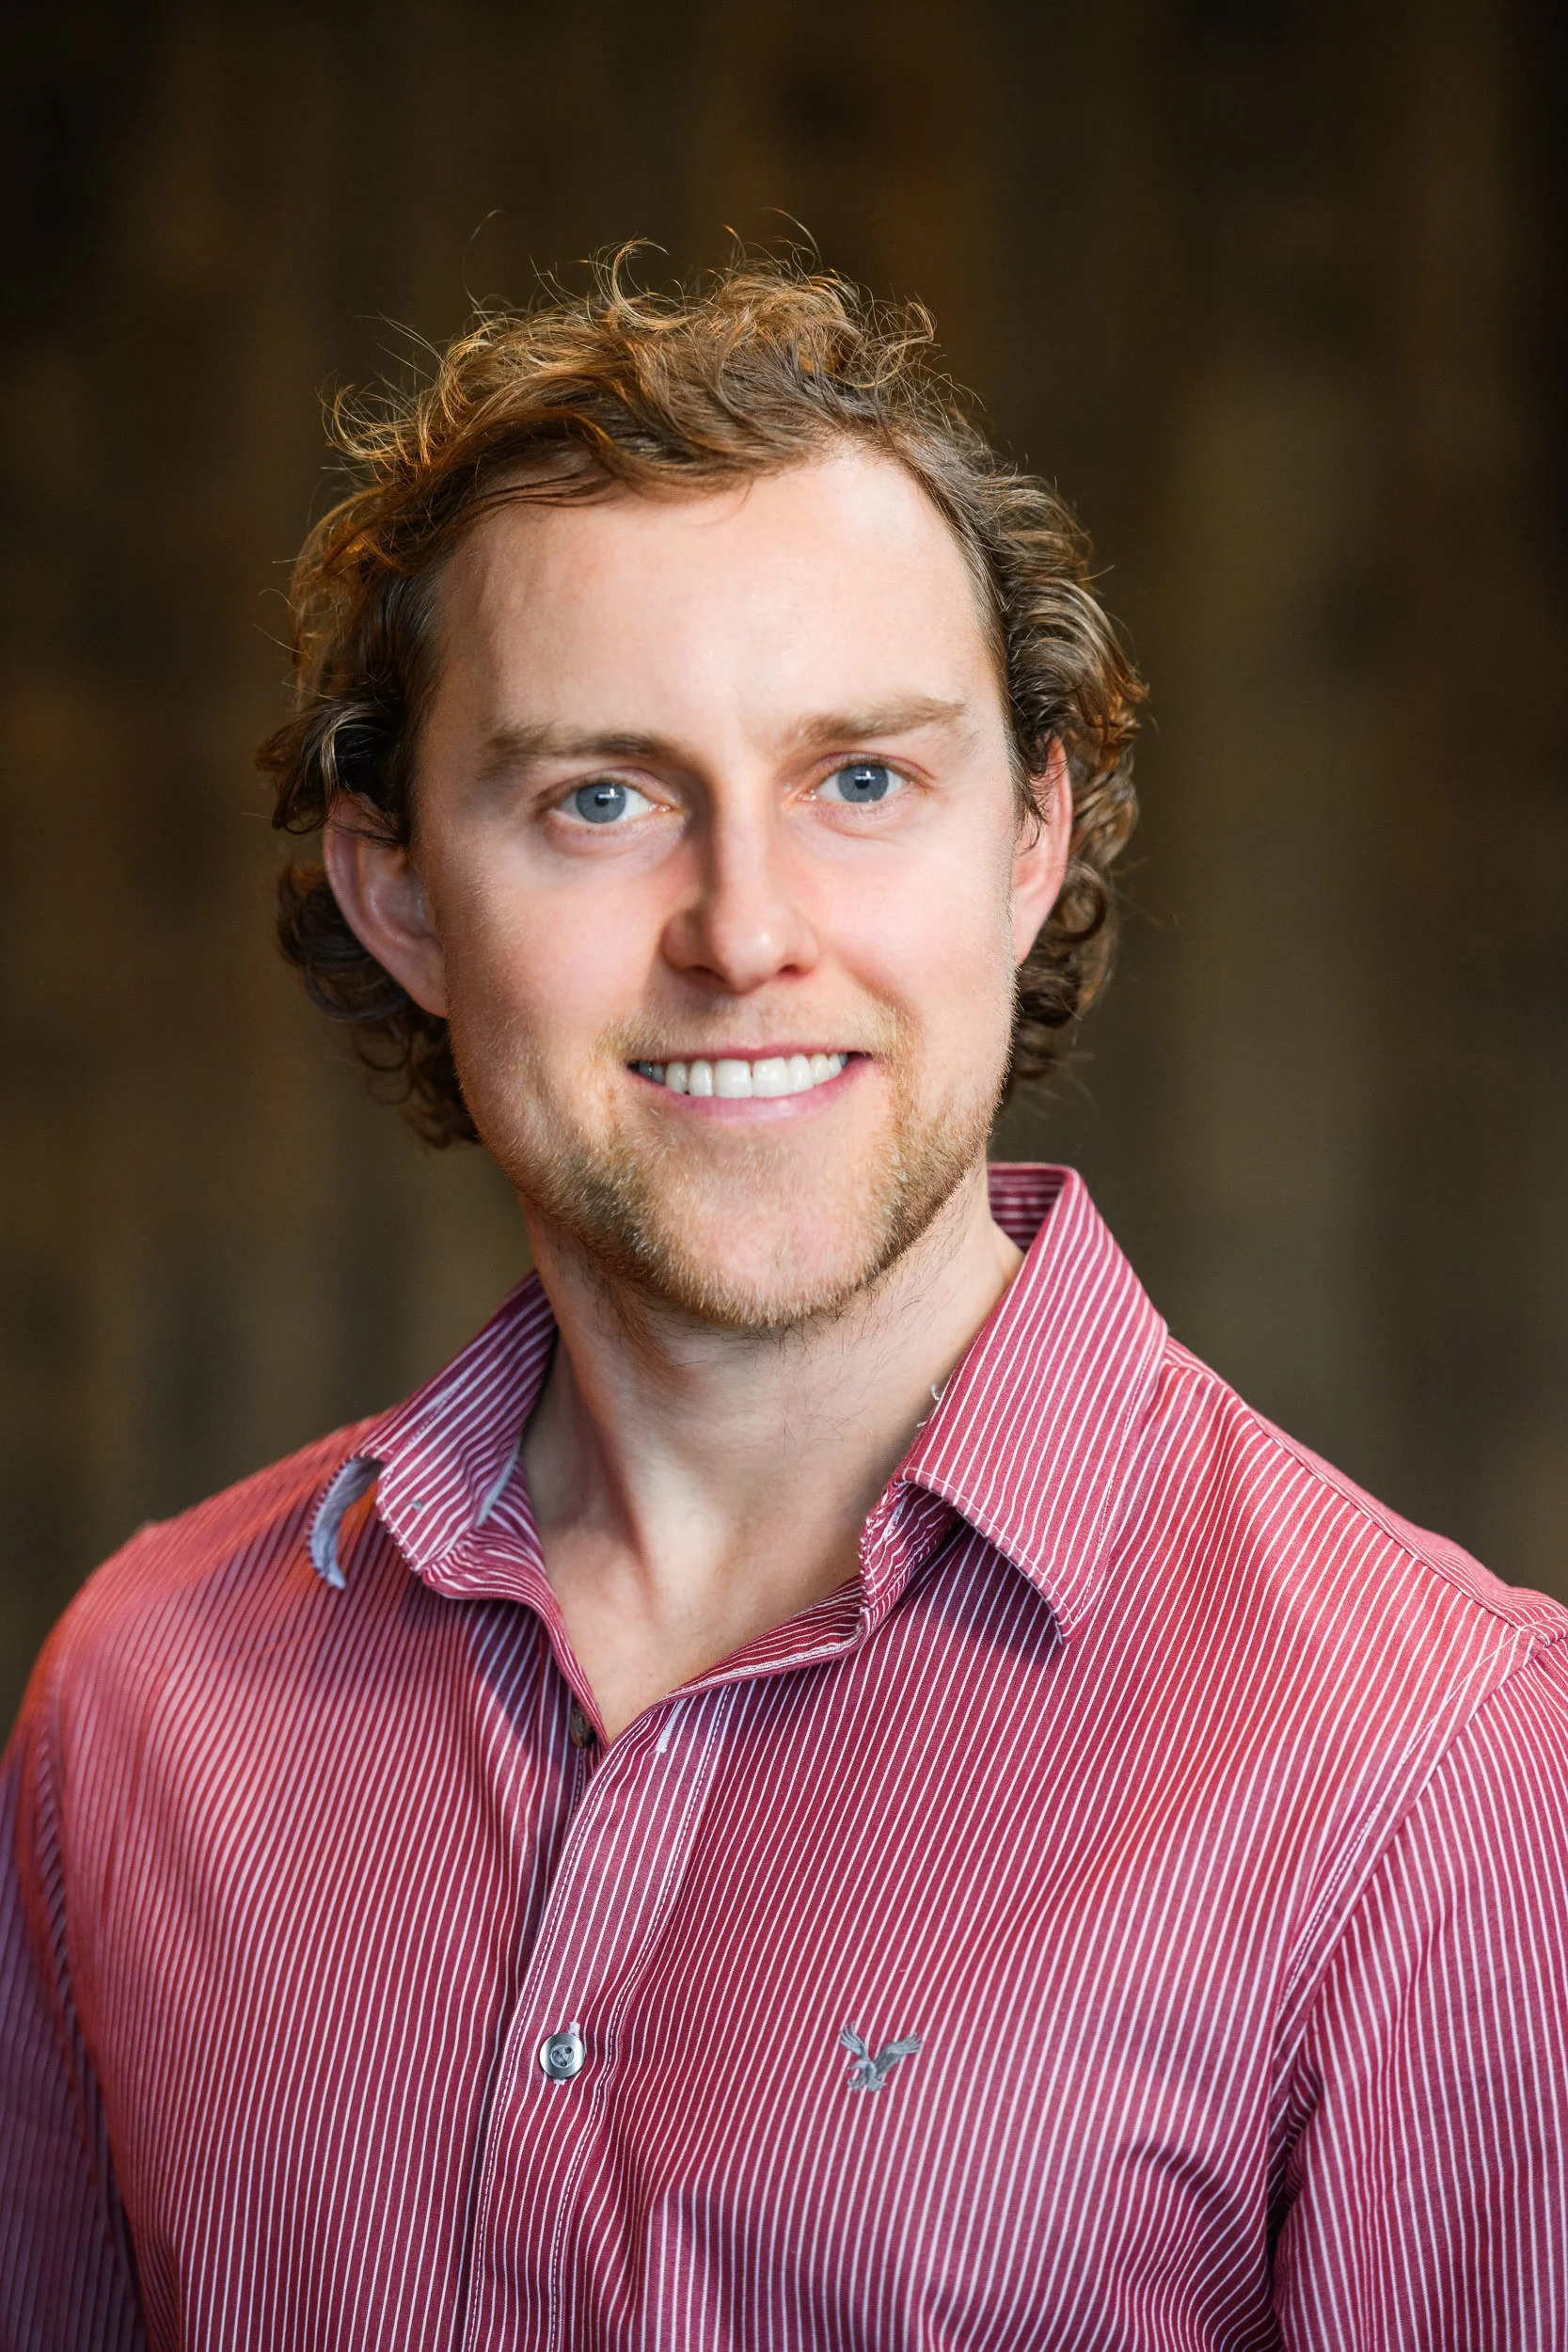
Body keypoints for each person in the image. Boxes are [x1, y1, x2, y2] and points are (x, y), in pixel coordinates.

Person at [3, 253, 1565, 2352]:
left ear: (1028, 837)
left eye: (858, 783)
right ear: (398, 895)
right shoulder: (137, 1703)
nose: (744, 932)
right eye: (601, 798)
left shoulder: (1439, 1767)